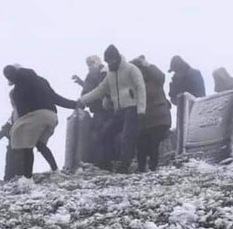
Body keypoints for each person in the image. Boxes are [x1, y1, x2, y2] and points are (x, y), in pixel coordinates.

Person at [77, 45, 146, 173]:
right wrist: (82, 100)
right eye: (108, 61)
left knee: (127, 136)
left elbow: (141, 88)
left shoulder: (131, 69)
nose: (110, 63)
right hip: (119, 110)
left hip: (132, 107)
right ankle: (106, 162)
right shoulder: (111, 74)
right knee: (105, 133)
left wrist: (141, 109)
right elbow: (100, 90)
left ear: (117, 58)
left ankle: (125, 164)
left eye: (111, 61)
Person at [2, 64, 78, 180]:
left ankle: (27, 178)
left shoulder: (17, 90)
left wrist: (13, 127)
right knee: (40, 144)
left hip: (36, 116)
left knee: (25, 144)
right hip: (52, 116)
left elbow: (21, 112)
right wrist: (74, 104)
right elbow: (55, 97)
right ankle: (55, 170)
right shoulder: (41, 80)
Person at [130, 56, 172, 172]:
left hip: (158, 118)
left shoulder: (155, 80)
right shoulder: (135, 85)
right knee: (141, 144)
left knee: (153, 143)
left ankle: (152, 168)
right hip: (145, 120)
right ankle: (142, 168)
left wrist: (146, 64)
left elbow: (161, 75)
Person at [73, 55, 110, 165]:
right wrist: (81, 83)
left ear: (98, 61)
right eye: (88, 63)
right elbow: (96, 88)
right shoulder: (103, 72)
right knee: (104, 133)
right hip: (105, 107)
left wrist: (82, 101)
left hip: (100, 109)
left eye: (91, 62)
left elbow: (94, 89)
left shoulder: (96, 72)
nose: (89, 65)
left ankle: (101, 162)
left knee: (98, 134)